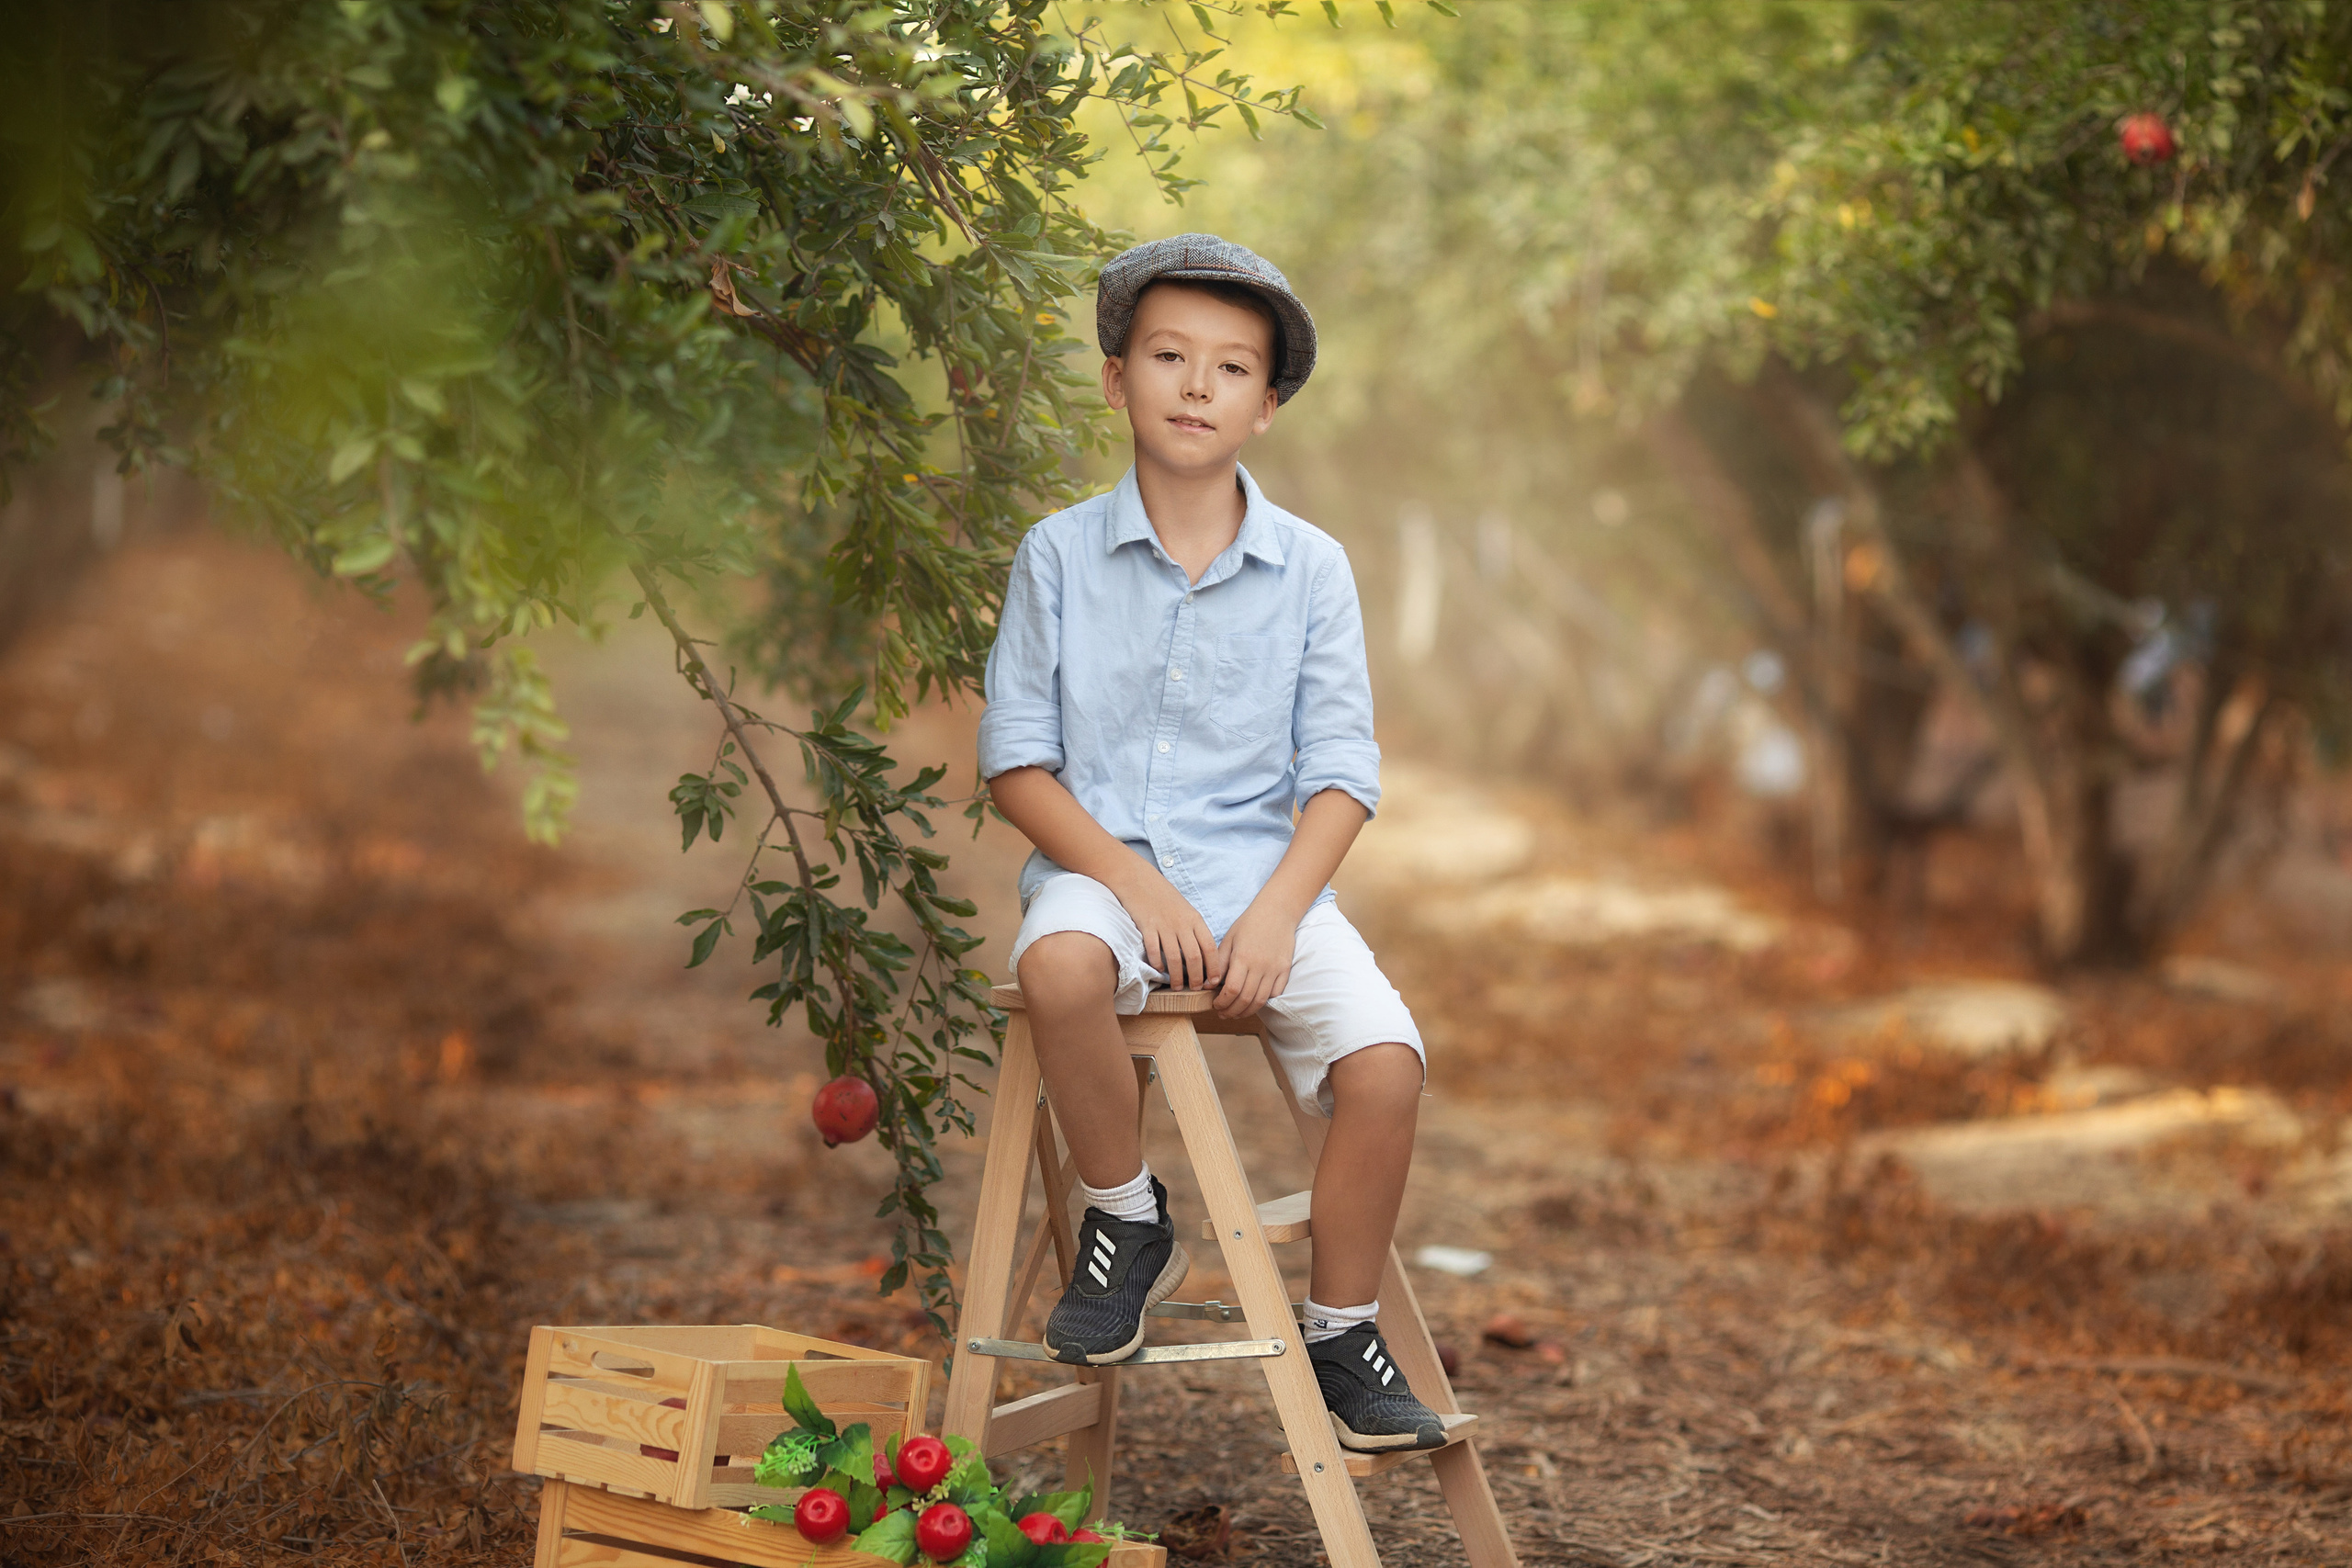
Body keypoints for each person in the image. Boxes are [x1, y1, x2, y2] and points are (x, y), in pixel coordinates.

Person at [977, 234, 1443, 1452]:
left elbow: (1342, 777)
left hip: (1260, 886)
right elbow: (1017, 763)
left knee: (1387, 1063)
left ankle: (1341, 1328)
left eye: (1231, 368)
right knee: (1062, 965)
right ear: (1117, 376)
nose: (1196, 385)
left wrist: (1280, 914)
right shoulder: (1058, 555)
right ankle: (1126, 1218)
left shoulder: (1313, 570)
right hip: (1098, 872)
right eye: (1169, 356)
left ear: (1268, 406)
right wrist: (1127, 882)